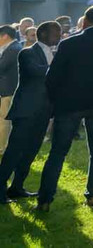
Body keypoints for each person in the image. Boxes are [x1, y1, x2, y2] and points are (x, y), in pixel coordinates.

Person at [36, 6, 93, 210]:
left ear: (85, 20)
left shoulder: (70, 42)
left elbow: (52, 77)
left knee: (58, 152)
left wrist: (54, 100)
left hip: (70, 103)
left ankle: (44, 199)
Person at [0, 21, 60, 204]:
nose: (59, 35)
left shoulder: (56, 54)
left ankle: (17, 187)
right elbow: (36, 72)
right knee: (14, 151)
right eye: (55, 32)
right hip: (26, 110)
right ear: (43, 34)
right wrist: (61, 67)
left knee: (31, 151)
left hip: (44, 111)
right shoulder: (27, 53)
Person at [0, 24, 20, 158]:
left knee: (4, 120)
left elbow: (1, 67)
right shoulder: (11, 48)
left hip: (8, 90)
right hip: (6, 90)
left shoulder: (13, 49)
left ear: (5, 36)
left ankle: (2, 147)